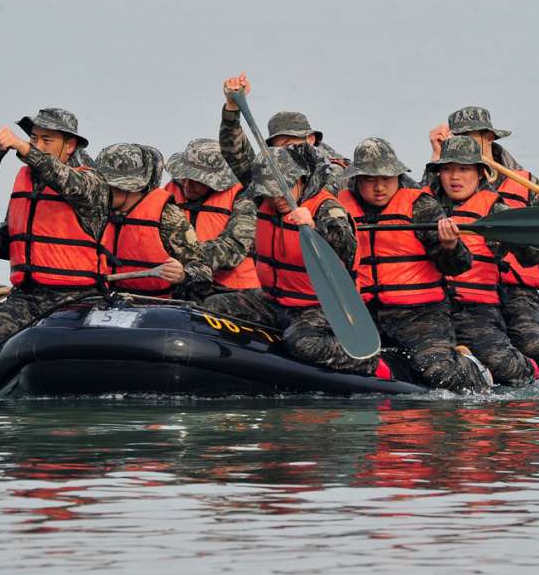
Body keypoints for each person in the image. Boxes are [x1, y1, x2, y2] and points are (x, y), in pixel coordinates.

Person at [207, 72, 380, 377]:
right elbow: (235, 154)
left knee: (302, 343)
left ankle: (371, 363)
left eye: (282, 190)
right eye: (270, 192)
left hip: (318, 306)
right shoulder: (265, 192)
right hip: (275, 300)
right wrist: (232, 109)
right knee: (213, 308)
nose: (277, 198)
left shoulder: (326, 206)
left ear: (300, 180)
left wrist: (314, 226)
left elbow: (347, 249)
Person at [337, 137, 491, 391]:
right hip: (364, 314)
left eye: (386, 179)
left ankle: (471, 366)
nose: (379, 187)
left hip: (420, 315)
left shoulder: (422, 207)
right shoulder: (338, 209)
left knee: (439, 373)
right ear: (357, 180)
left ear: (398, 177)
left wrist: (450, 246)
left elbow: (458, 266)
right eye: (370, 179)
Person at [0, 108, 108, 369]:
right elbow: (13, 241)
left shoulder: (89, 183)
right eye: (34, 139)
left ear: (70, 145)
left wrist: (21, 147)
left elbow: (61, 176)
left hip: (78, 298)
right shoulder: (26, 183)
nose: (37, 145)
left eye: (46, 140)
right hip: (27, 297)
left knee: (62, 347)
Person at [430, 106, 539, 378]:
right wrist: (436, 156)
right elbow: (423, 203)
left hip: (516, 285)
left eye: (473, 137)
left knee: (532, 345)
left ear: (489, 138)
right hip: (468, 284)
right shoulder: (444, 178)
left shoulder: (525, 182)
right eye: (459, 137)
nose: (467, 143)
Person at [426, 135, 539, 386]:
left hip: (476, 310)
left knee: (506, 368)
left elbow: (531, 257)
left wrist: (527, 237)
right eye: (447, 169)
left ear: (480, 174)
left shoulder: (496, 210)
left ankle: (530, 364)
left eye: (464, 169)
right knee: (429, 362)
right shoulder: (423, 204)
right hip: (429, 310)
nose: (455, 177)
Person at [94, 143, 213, 300]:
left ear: (129, 187)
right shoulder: (94, 212)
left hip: (154, 308)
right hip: (102, 303)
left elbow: (203, 270)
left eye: (108, 187)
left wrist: (183, 275)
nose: (99, 192)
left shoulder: (168, 216)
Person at [163, 139, 260, 292]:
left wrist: (189, 257)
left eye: (197, 181)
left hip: (229, 290)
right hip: (179, 283)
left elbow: (235, 246)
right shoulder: (170, 189)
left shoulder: (242, 196)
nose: (188, 185)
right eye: (184, 176)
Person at [262, 104, 349, 190]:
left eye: (289, 145)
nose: (283, 153)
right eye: (277, 150)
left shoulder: (332, 171)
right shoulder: (273, 171)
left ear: (310, 139)